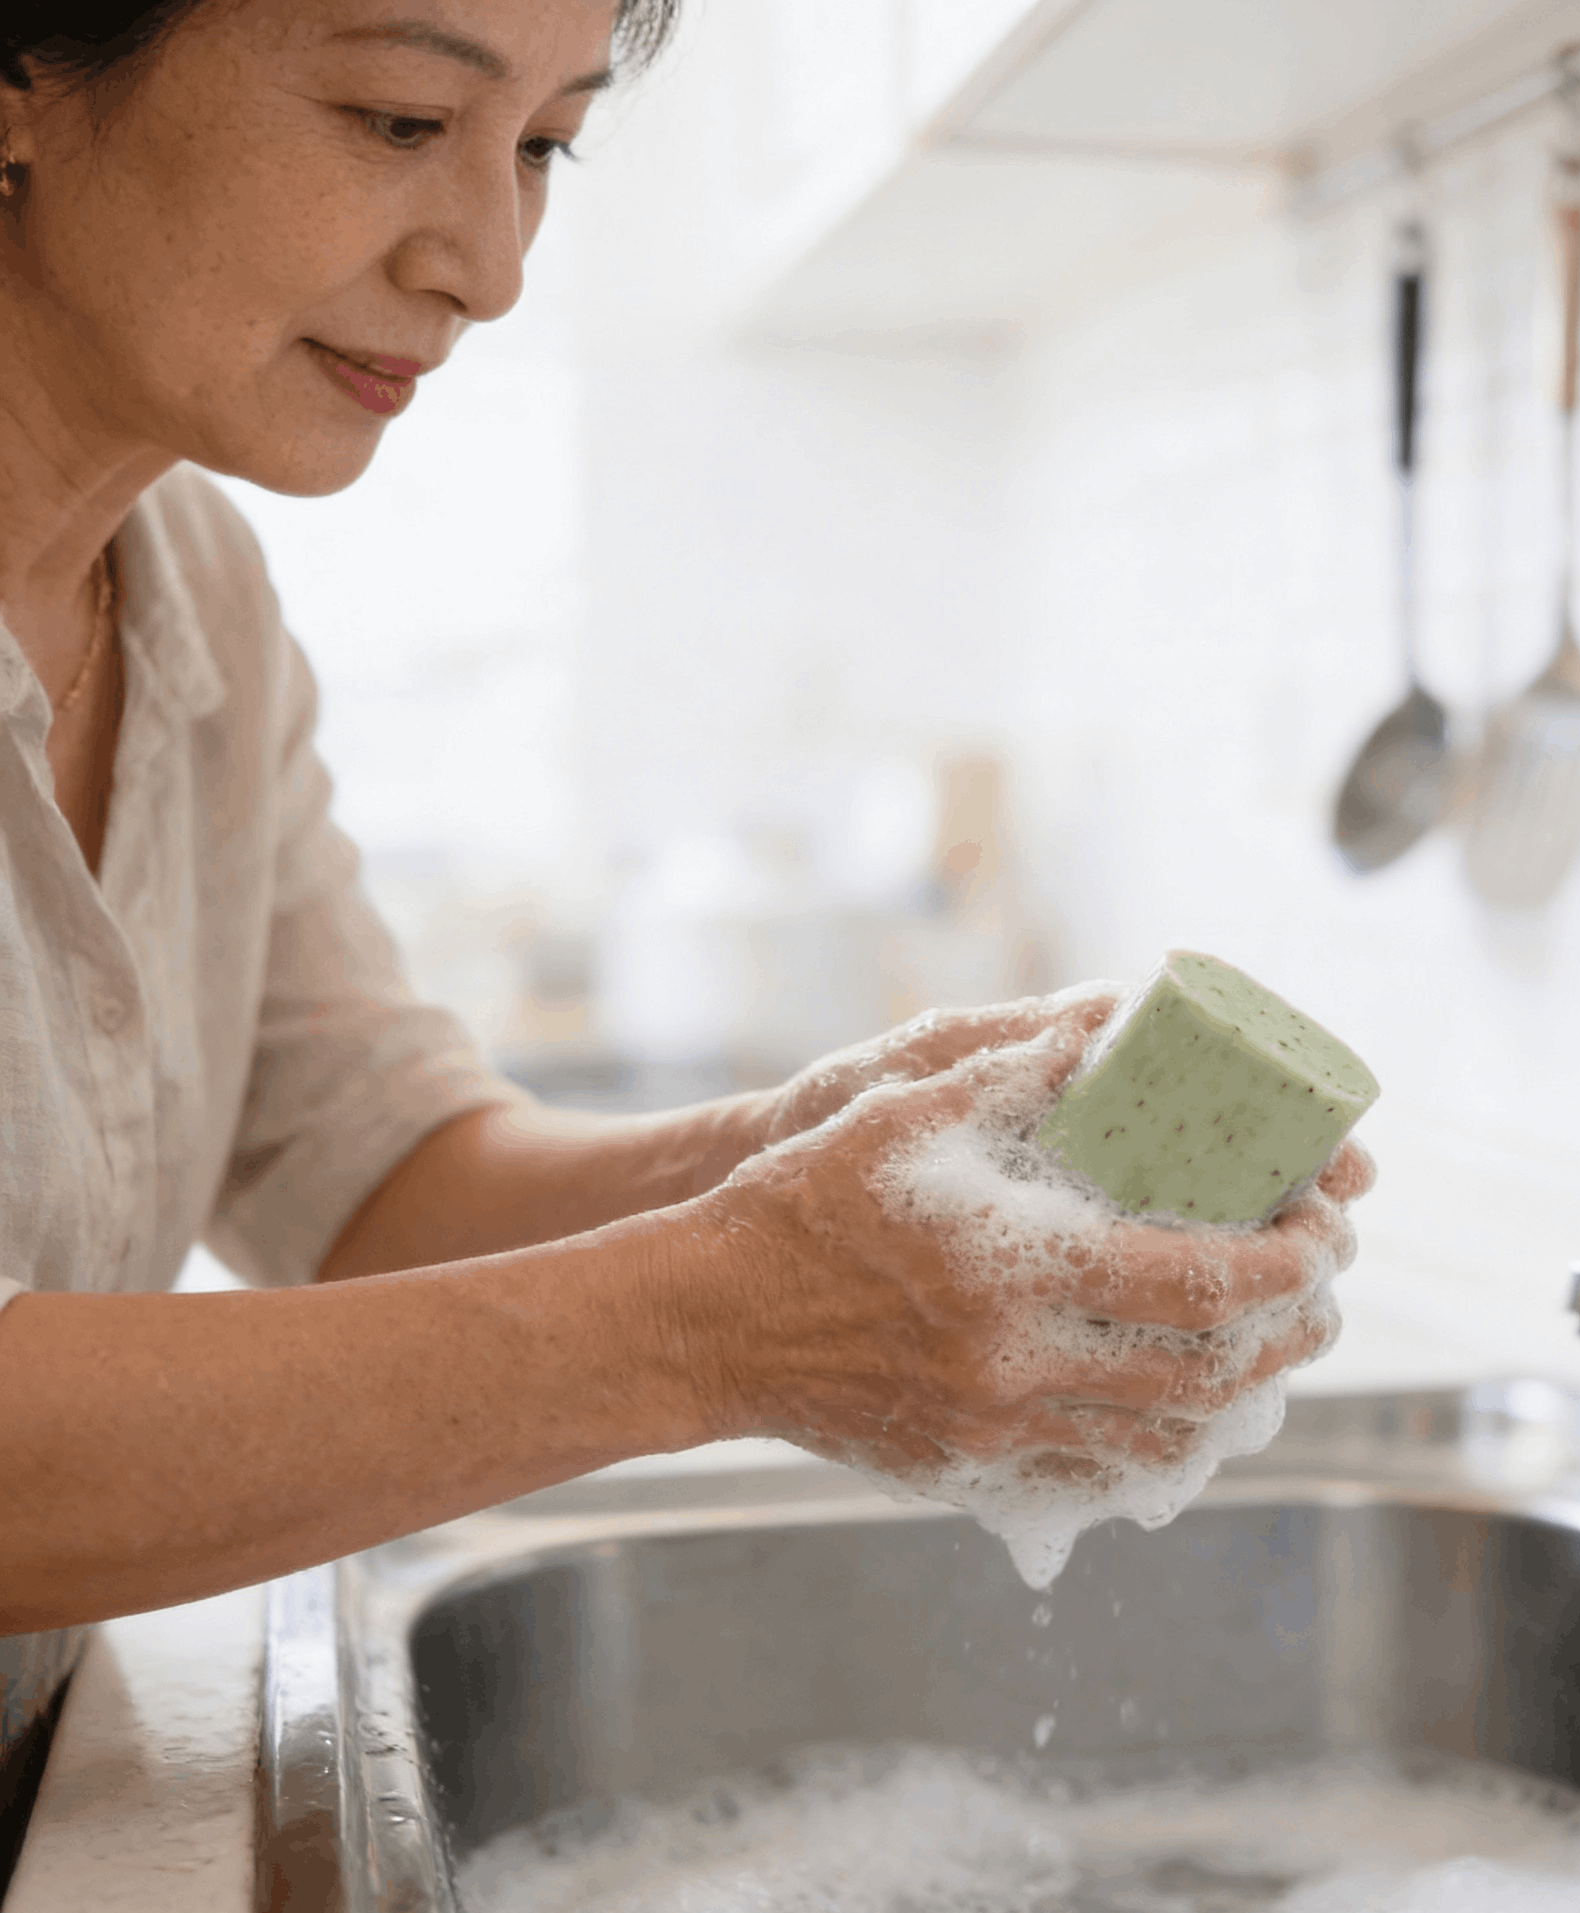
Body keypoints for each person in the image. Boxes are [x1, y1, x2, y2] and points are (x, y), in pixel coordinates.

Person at [0, 0, 1370, 1811]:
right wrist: (724, 1316)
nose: (488, 266)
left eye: (546, 147)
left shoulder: (199, 597)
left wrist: (798, 1153)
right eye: (402, 119)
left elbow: (367, 1165)